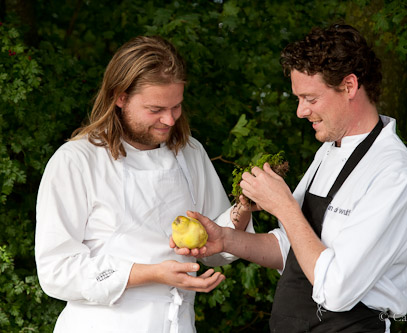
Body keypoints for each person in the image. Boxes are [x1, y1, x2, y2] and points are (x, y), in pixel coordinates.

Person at [175, 24, 407, 332]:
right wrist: (226, 239)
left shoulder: (394, 172)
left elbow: (337, 289)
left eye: (310, 98)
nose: (300, 111)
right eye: (298, 98)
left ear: (349, 86)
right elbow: (293, 249)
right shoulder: (328, 151)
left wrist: (284, 207)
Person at [35, 35, 254, 333]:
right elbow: (55, 271)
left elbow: (217, 246)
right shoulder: (77, 160)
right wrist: (150, 274)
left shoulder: (189, 153)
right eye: (155, 109)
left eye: (176, 107)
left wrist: (243, 208)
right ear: (120, 97)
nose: (169, 120)